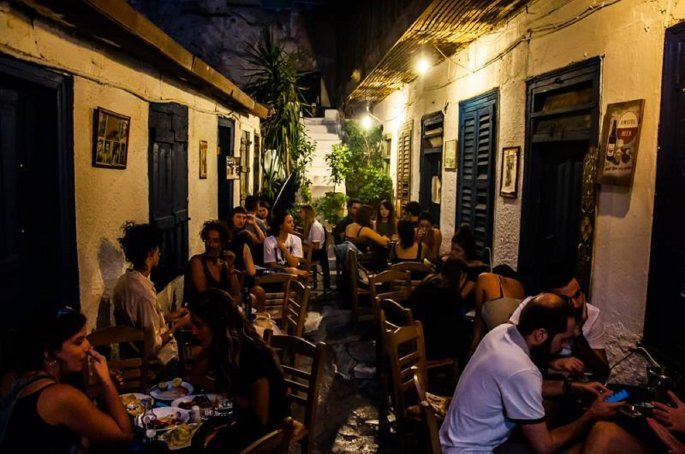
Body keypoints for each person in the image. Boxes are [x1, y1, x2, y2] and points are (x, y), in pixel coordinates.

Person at [440, 293, 621, 453]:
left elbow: (524, 386)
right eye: (563, 340)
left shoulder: (501, 333)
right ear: (540, 335)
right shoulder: (521, 369)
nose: (566, 347)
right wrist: (592, 414)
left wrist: (574, 387)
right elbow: (545, 446)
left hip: (452, 442)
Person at [0, 308, 132, 452]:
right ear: (49, 354)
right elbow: (123, 436)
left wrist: (99, 389)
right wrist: (106, 381)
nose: (88, 346)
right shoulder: (60, 396)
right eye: (79, 341)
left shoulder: (13, 377)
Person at [187, 289, 289, 450]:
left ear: (218, 324)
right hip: (240, 415)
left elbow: (259, 423)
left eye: (198, 325)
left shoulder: (253, 354)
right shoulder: (222, 344)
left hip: (270, 430)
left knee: (201, 442)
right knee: (195, 434)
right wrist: (232, 394)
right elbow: (195, 377)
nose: (193, 331)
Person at [509, 266, 609, 381]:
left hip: (571, 383)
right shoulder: (534, 306)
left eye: (577, 295)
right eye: (566, 300)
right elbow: (509, 350)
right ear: (550, 298)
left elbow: (602, 373)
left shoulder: (592, 314)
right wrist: (551, 363)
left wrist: (577, 333)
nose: (575, 304)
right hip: (536, 379)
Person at [112, 222, 185, 369]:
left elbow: (142, 322)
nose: (160, 253)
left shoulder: (123, 282)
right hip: (155, 365)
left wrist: (168, 317)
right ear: (151, 252)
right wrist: (175, 328)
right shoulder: (143, 293)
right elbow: (151, 346)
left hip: (135, 356)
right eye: (157, 249)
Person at [405, 257, 470, 362]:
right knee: (464, 337)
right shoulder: (451, 296)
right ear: (458, 277)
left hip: (413, 338)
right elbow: (453, 324)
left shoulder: (427, 282)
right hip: (430, 348)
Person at [470, 265, 526, 353]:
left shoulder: (485, 277)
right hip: (517, 342)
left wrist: (474, 346)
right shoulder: (519, 286)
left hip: (499, 338)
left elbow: (478, 318)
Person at [184, 220, 241, 304]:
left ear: (222, 244)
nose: (210, 245)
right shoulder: (197, 262)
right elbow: (204, 296)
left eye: (216, 241)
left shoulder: (224, 264)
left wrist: (231, 267)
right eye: (208, 240)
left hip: (222, 307)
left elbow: (237, 294)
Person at [447, 224, 489, 302]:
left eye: (458, 251)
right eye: (452, 249)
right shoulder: (456, 263)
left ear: (467, 251)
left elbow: (462, 296)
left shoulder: (477, 270)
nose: (453, 253)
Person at [344, 204, 390, 270]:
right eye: (371, 218)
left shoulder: (348, 226)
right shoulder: (364, 229)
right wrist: (385, 237)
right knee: (383, 252)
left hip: (351, 260)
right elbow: (383, 242)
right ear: (366, 218)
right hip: (363, 261)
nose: (372, 221)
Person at [263, 211, 308, 277]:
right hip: (276, 274)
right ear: (280, 226)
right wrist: (287, 270)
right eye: (289, 222)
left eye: (292, 222)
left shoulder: (296, 239)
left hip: (294, 274)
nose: (293, 225)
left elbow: (294, 264)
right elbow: (272, 265)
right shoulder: (269, 241)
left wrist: (284, 249)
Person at [299, 204, 330, 290]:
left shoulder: (316, 227)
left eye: (301, 212)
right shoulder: (310, 225)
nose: (299, 214)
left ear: (307, 213)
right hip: (311, 251)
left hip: (316, 253)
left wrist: (301, 246)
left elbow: (316, 246)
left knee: (294, 258)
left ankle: (300, 283)